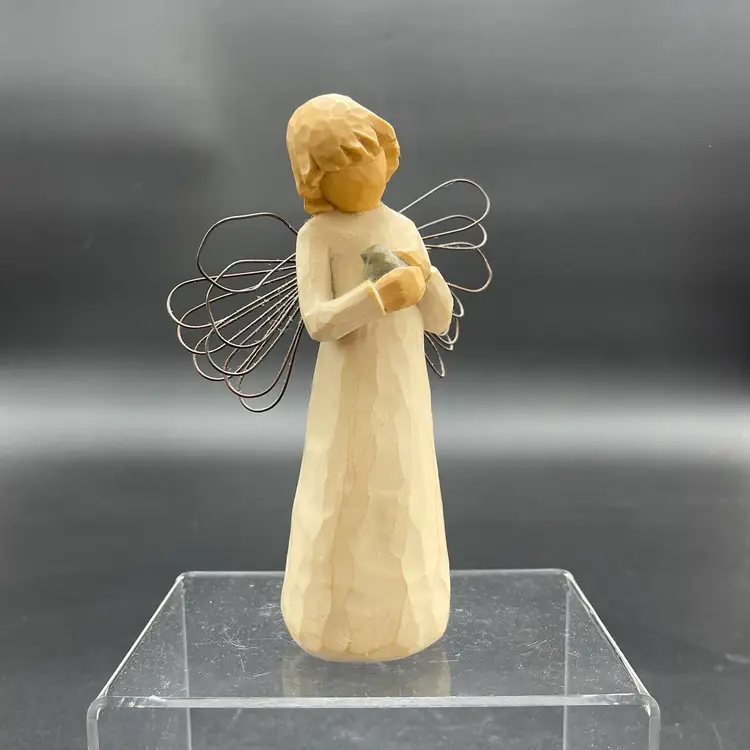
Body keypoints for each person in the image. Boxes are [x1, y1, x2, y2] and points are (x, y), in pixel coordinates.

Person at [281, 94, 454, 661]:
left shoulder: (402, 226)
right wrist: (376, 296)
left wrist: (427, 278)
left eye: (368, 154)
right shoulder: (318, 237)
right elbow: (317, 321)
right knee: (345, 491)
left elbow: (439, 318)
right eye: (341, 167)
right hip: (347, 395)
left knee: (403, 490)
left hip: (404, 393)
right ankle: (330, 620)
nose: (363, 173)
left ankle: (412, 615)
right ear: (315, 183)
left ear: (388, 150)